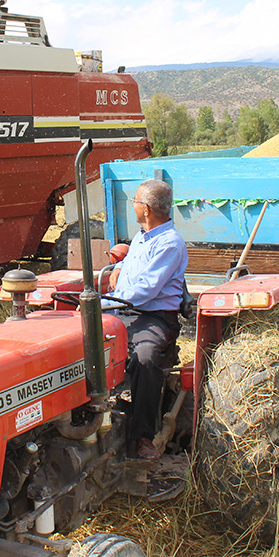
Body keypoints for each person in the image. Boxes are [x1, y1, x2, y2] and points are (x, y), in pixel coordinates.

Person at [104, 178, 188, 459]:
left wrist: (103, 304)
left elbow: (147, 289)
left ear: (148, 209)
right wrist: (118, 266)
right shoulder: (143, 235)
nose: (133, 206)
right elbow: (133, 267)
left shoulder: (170, 244)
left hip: (154, 316)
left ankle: (143, 436)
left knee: (144, 357)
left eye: (135, 201)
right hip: (126, 310)